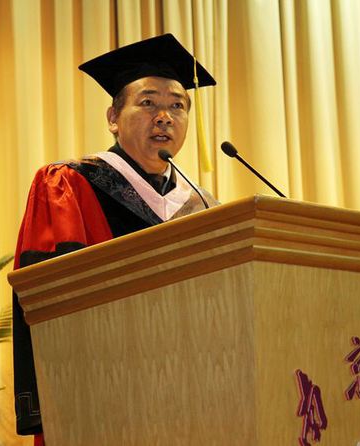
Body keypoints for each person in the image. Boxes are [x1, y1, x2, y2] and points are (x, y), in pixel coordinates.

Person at [11, 34, 218, 444]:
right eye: (148, 103)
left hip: (193, 394)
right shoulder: (69, 184)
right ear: (112, 117)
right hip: (101, 396)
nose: (165, 117)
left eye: (178, 106)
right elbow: (50, 298)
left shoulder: (204, 206)